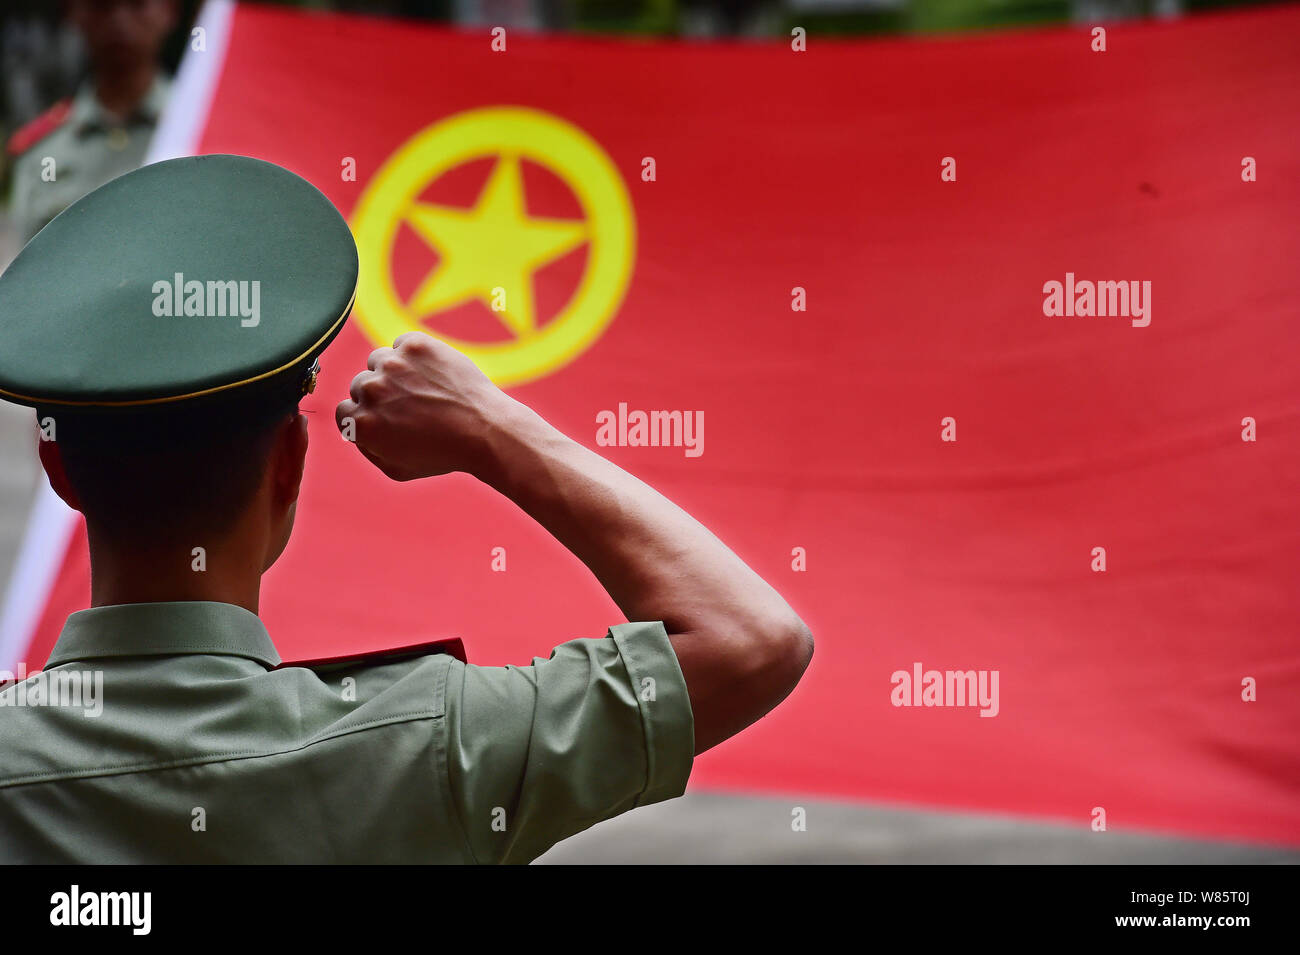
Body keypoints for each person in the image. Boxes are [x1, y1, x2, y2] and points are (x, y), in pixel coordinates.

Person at [0, 154, 812, 863]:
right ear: (291, 461)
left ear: (57, 466)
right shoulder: (430, 744)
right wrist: (497, 430)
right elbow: (752, 638)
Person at [7, 0, 175, 243]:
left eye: (138, 4)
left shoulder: (204, 129)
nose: (119, 20)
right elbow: (22, 273)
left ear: (170, 11)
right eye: (102, 6)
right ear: (74, 14)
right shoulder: (42, 152)